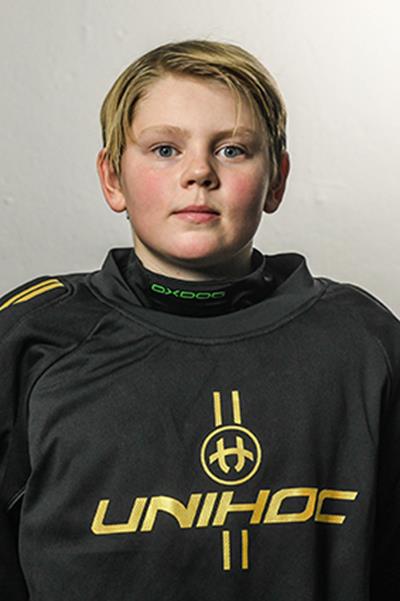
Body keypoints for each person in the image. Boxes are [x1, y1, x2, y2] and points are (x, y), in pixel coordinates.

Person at [0, 38, 399, 601]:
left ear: (277, 179)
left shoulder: (364, 342)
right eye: (164, 149)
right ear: (112, 178)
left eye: (232, 150)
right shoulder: (29, 338)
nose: (198, 173)